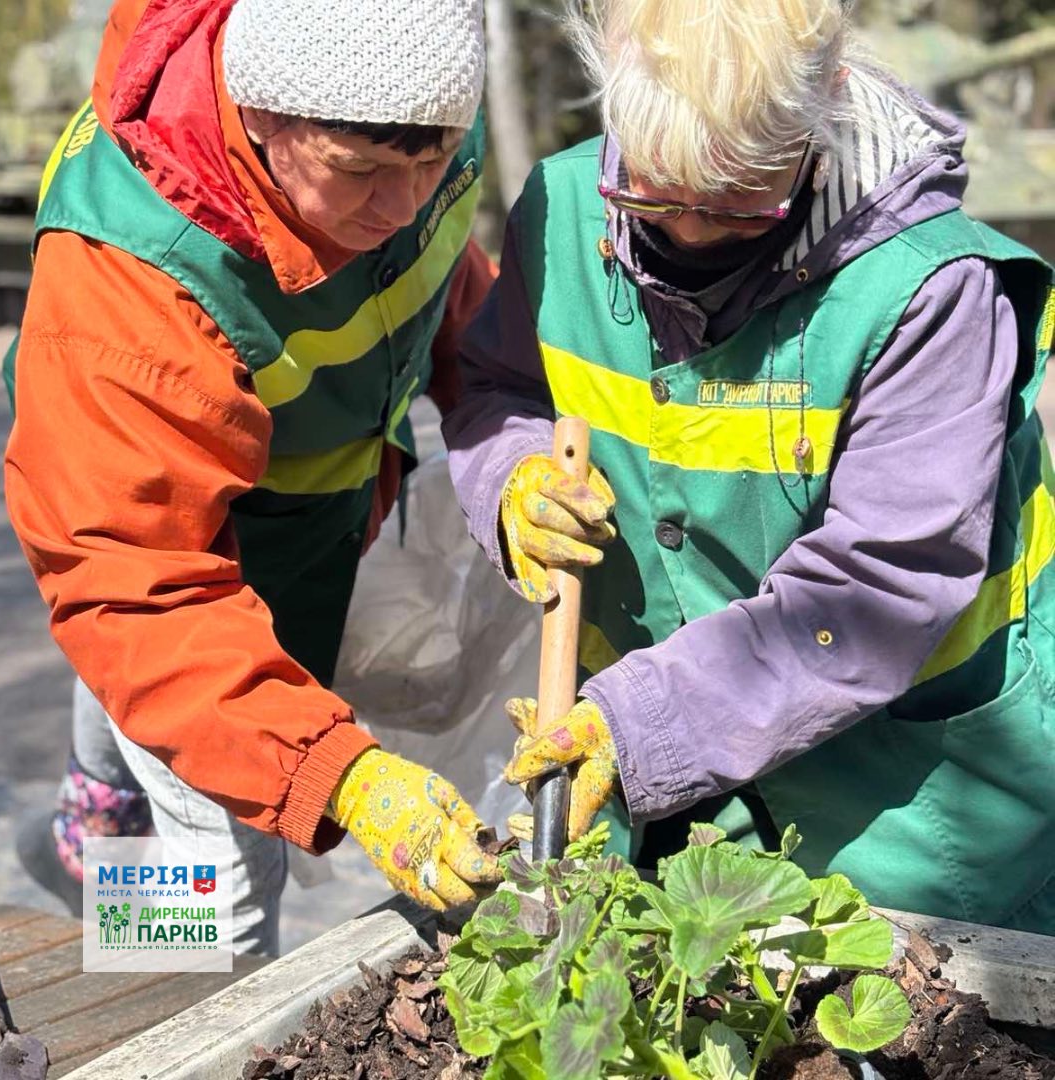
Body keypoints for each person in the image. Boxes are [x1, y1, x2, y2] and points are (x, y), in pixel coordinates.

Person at [444, 0, 1055, 933]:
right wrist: (512, 481)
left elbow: (881, 583)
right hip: (661, 796)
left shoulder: (933, 291)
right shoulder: (565, 208)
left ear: (825, 114)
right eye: (651, 198)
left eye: (737, 205)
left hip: (908, 807)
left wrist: (641, 724)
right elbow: (497, 390)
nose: (686, 234)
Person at [4, 0, 503, 953]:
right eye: (358, 172)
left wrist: (500, 421)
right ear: (260, 115)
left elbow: (435, 274)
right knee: (228, 883)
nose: (401, 207)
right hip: (154, 518)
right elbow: (136, 582)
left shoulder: (419, 107)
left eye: (432, 165)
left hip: (288, 520)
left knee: (159, 705)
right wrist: (341, 774)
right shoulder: (125, 278)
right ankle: (175, 1017)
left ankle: (90, 848)